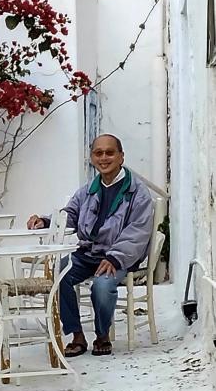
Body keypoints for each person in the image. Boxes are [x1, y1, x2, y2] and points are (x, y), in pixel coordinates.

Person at [27, 134, 154, 356]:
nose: (104, 158)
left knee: (102, 287)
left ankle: (102, 334)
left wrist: (115, 257)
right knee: (57, 273)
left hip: (118, 256)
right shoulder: (87, 190)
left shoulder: (138, 192)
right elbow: (71, 215)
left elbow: (138, 231)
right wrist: (46, 221)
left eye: (110, 152)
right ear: (92, 158)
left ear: (121, 157)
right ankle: (76, 335)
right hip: (88, 253)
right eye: (98, 153)